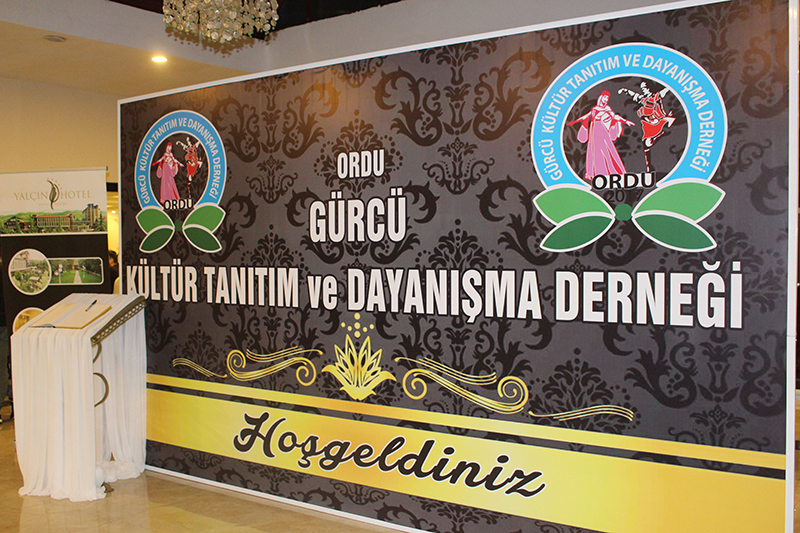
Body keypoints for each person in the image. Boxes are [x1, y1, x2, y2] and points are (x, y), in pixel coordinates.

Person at [568, 91, 635, 181]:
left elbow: (615, 117)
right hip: (594, 131)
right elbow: (586, 116)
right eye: (605, 97)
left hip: (601, 130)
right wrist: (574, 122)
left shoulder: (607, 108)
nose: (606, 100)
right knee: (595, 151)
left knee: (606, 149)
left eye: (607, 98)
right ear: (601, 97)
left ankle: (610, 171)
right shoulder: (595, 108)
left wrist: (625, 121)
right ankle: (597, 173)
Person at [618, 82, 676, 171]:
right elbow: (633, 94)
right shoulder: (643, 99)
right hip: (647, 125)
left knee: (665, 128)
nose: (643, 90)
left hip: (657, 123)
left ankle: (660, 135)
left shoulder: (656, 97)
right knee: (646, 145)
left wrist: (673, 85)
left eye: (644, 88)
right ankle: (648, 167)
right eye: (642, 89)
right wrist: (624, 90)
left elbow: (666, 90)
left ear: (649, 89)